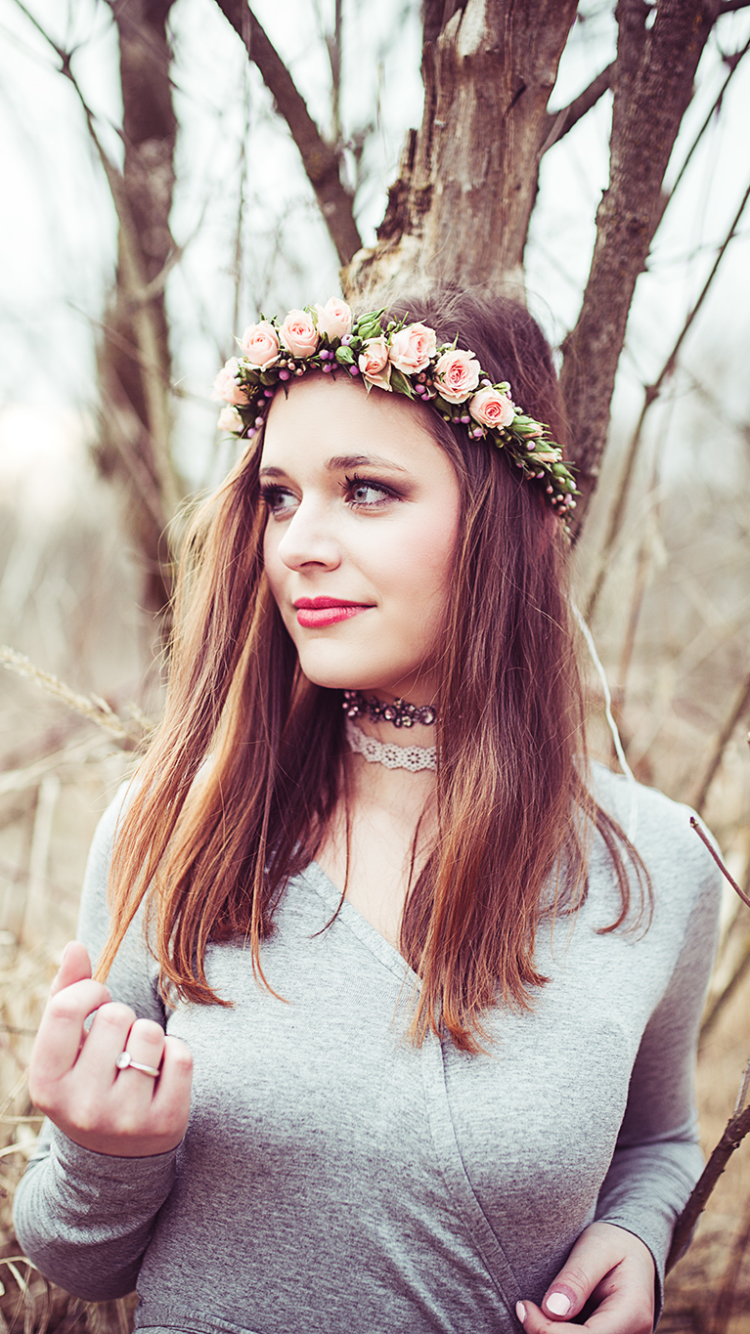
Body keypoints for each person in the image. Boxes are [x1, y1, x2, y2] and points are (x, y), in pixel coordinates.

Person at [14, 289, 721, 1334]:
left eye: (369, 490)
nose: (300, 541)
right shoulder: (174, 830)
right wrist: (103, 1151)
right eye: (282, 495)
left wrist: (641, 1235)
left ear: (507, 519)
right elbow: (81, 1261)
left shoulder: (657, 867)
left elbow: (657, 1140)